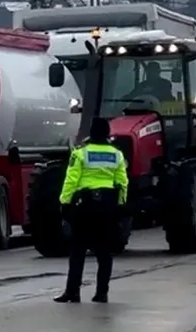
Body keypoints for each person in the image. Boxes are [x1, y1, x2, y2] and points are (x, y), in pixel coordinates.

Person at [54, 117, 128, 304]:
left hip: (85, 207)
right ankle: (102, 293)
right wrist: (120, 205)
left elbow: (71, 180)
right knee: (104, 253)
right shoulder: (116, 155)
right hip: (107, 207)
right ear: (107, 133)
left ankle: (73, 292)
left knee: (78, 251)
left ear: (91, 133)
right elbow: (122, 183)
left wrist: (64, 202)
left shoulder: (80, 154)